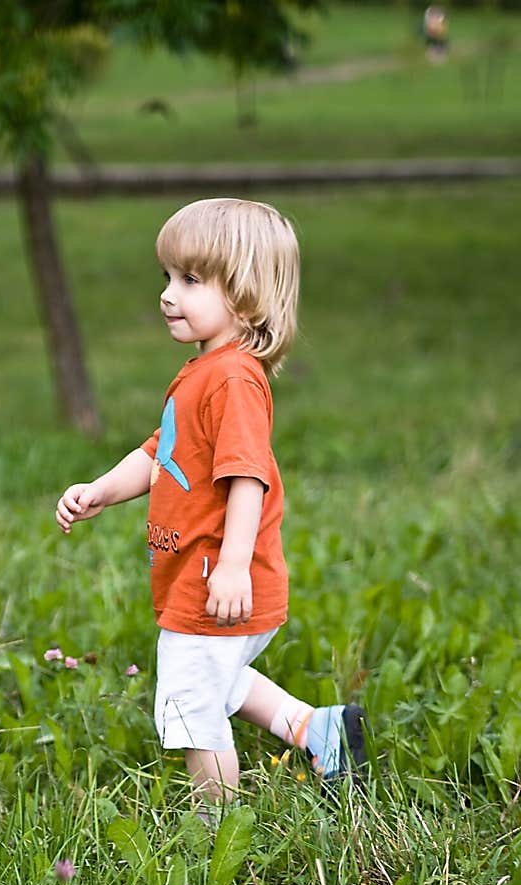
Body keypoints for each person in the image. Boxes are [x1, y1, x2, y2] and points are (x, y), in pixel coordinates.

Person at [55, 197, 367, 819]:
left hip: (213, 577)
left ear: (246, 295)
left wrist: (231, 566)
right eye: (168, 277)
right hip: (197, 575)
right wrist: (100, 490)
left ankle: (217, 831)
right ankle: (320, 732)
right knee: (215, 679)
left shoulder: (232, 381)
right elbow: (159, 453)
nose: (169, 295)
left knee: (189, 702)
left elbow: (249, 479)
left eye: (191, 280)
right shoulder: (203, 372)